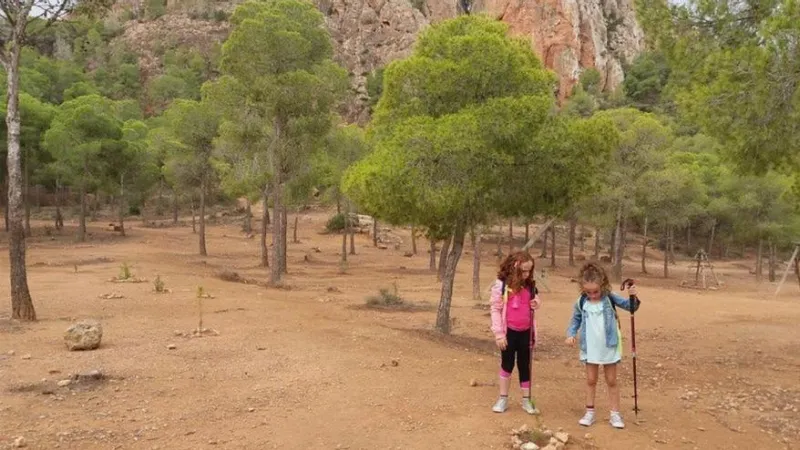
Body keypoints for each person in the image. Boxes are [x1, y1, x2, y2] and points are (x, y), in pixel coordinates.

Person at [565, 262, 641, 429]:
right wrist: (571, 334)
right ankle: (590, 412)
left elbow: (631, 307)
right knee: (591, 380)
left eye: (595, 291)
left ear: (603, 284)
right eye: (588, 292)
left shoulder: (610, 297)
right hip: (590, 347)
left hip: (609, 346)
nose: (592, 295)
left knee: (611, 380)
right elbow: (575, 319)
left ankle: (615, 414)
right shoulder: (581, 302)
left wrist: (633, 295)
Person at [489, 251, 542, 414]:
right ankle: (503, 398)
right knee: (507, 364)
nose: (526, 274)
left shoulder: (530, 286)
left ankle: (526, 400)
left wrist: (536, 303)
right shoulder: (502, 285)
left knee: (525, 365)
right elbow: (496, 309)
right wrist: (499, 334)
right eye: (523, 271)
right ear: (514, 268)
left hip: (526, 333)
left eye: (529, 271)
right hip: (508, 332)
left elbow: (536, 300)